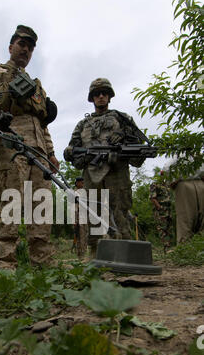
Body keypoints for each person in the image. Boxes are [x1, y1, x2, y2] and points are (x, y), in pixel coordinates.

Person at [0, 25, 59, 270]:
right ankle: (5, 267)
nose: (26, 50)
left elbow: (42, 123)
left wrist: (50, 153)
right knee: (11, 203)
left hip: (38, 151)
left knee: (40, 207)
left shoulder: (36, 86)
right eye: (21, 44)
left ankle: (43, 266)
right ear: (11, 47)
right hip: (10, 145)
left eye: (30, 48)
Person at [64, 78, 146, 256]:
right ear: (92, 98)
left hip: (117, 174)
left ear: (109, 96)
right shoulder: (83, 124)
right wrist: (81, 155)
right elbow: (71, 150)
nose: (101, 96)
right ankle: (96, 258)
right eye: (96, 94)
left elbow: (137, 149)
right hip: (92, 175)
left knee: (120, 213)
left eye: (104, 93)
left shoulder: (122, 120)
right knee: (94, 214)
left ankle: (126, 257)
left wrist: (123, 138)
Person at [169, 162, 204, 244]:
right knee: (202, 220)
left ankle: (184, 249)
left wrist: (172, 182)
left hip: (184, 185)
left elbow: (167, 170)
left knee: (185, 220)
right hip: (201, 184)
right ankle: (200, 248)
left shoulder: (177, 157)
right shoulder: (198, 156)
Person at [149, 170, 173, 253]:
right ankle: (167, 247)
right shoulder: (155, 184)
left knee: (169, 228)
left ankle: (170, 247)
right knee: (162, 229)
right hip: (161, 210)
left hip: (168, 210)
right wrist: (159, 208)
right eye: (162, 175)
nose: (164, 177)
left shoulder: (166, 185)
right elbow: (152, 198)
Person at [72, 176, 88, 259]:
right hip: (77, 217)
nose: (83, 184)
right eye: (81, 182)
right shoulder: (75, 193)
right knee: (79, 237)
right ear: (77, 183)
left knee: (84, 236)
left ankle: (84, 254)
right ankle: (80, 256)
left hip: (84, 216)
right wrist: (74, 220)